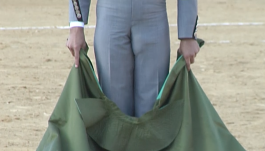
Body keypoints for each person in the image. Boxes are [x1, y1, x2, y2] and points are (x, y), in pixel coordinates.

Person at [66, 0, 200, 117]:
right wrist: (76, 25)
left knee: (152, 108)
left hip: (153, 15)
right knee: (114, 107)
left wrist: (188, 34)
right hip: (111, 14)